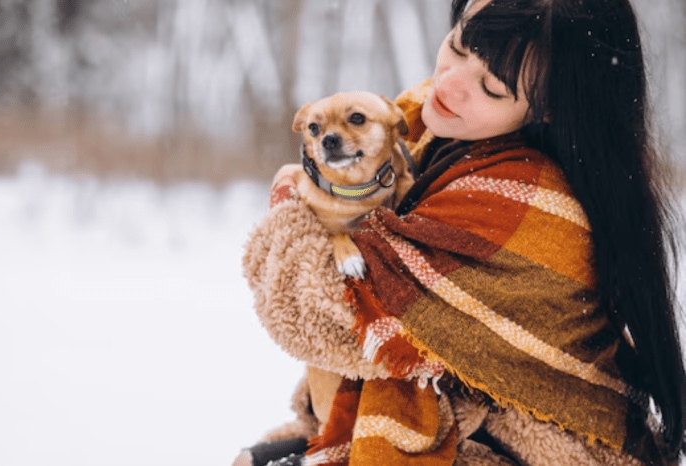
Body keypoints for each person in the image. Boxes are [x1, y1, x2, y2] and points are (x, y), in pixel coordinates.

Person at [235, 0, 686, 464]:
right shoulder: (424, 130)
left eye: (491, 86)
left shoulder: (522, 200)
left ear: (549, 107)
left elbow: (326, 313)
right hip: (473, 427)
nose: (448, 83)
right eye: (457, 45)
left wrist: (292, 199)